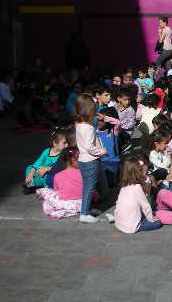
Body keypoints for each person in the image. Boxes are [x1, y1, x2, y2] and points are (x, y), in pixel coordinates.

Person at [74, 93, 108, 224]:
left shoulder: (79, 125)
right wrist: (103, 151)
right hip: (90, 160)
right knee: (90, 187)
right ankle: (84, 213)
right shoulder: (88, 128)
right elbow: (90, 147)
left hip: (83, 160)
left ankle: (86, 209)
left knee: (87, 187)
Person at [114, 156, 162, 233]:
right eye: (141, 171)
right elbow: (146, 206)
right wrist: (152, 219)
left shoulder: (124, 186)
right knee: (158, 222)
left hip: (119, 223)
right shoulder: (137, 187)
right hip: (131, 227)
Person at [35, 147, 83, 219]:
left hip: (65, 204)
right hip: (83, 204)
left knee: (46, 191)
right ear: (73, 160)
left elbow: (57, 191)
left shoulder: (58, 176)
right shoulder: (83, 173)